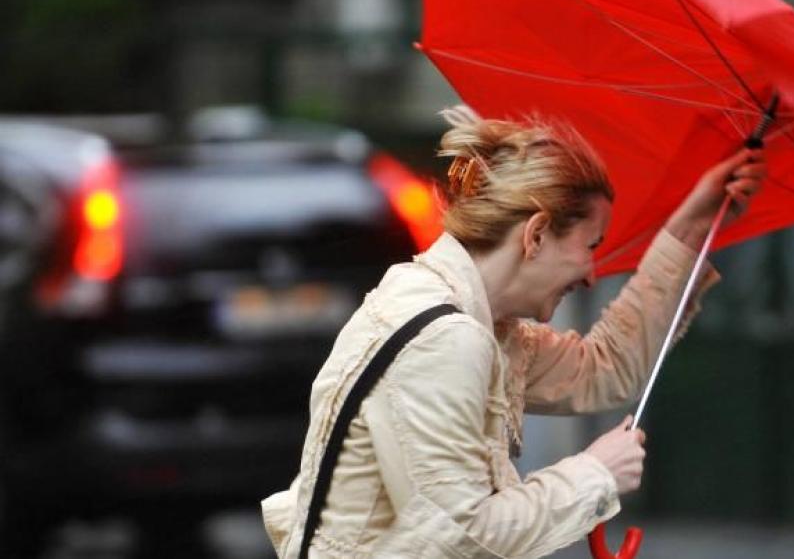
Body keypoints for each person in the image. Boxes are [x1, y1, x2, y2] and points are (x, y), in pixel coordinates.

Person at [262, 106, 766, 558]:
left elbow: (604, 369)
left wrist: (693, 225)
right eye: (590, 245)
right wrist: (594, 475)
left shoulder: (482, 324)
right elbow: (461, 535)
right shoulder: (443, 337)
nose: (592, 273)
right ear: (536, 234)